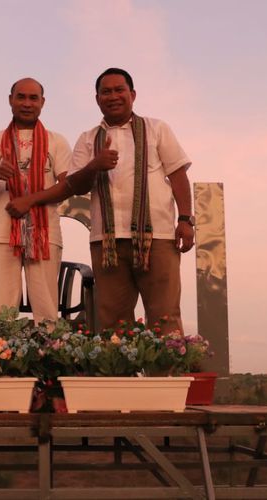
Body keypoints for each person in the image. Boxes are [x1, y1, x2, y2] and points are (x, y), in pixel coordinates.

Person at [65, 68, 194, 332]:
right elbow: (75, 185)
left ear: (132, 95)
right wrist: (95, 165)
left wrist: (185, 219)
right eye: (106, 92)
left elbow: (178, 175)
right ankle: (120, 374)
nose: (113, 96)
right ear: (97, 98)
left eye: (119, 90)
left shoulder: (156, 128)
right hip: (107, 242)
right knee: (113, 321)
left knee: (164, 316)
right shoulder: (87, 138)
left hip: (156, 237)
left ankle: (165, 375)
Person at [0, 78, 72, 324]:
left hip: (44, 232)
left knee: (47, 311)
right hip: (1, 232)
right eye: (21, 97)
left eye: (33, 98)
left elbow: (68, 186)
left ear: (42, 102)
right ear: (10, 100)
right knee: (1, 312)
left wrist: (29, 201)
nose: (27, 103)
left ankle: (48, 360)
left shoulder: (56, 141)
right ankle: (2, 360)